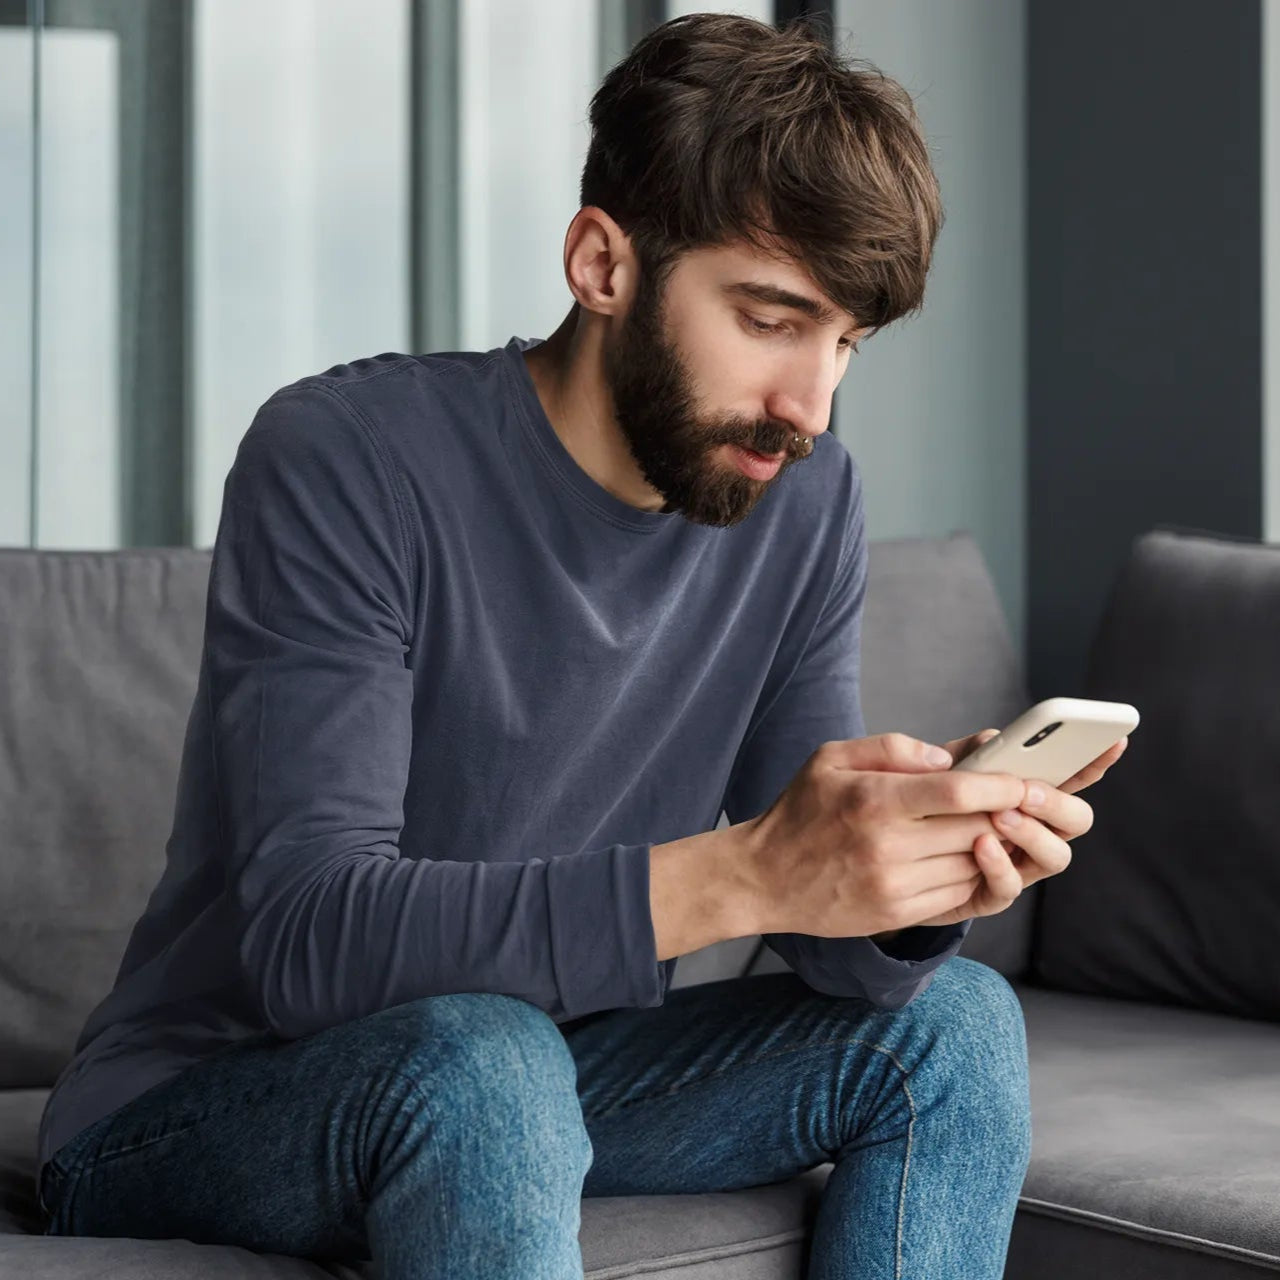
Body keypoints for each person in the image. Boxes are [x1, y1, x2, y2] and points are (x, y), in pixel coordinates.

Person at [36, 11, 1126, 1279]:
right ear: (602, 263)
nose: (808, 407)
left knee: (954, 1023)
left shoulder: (803, 497)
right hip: (211, 1097)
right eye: (770, 320)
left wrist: (903, 886)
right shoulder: (347, 459)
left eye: (845, 343)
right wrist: (750, 871)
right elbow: (310, 943)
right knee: (483, 1056)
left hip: (540, 1080)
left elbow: (828, 946)